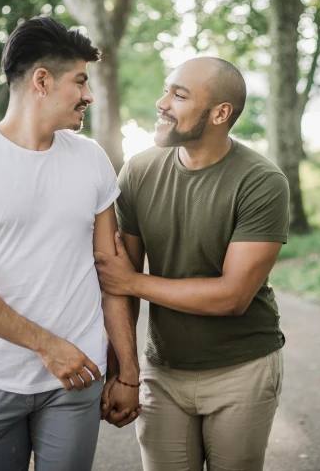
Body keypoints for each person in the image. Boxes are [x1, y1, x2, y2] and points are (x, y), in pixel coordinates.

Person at [0, 16, 139, 471]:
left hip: (78, 377)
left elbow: (110, 272)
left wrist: (127, 371)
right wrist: (47, 346)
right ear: (42, 80)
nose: (89, 96)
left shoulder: (91, 159)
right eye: (80, 81)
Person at [94, 57, 289, 471]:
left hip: (243, 370)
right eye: (167, 89)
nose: (162, 102)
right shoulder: (139, 171)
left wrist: (135, 282)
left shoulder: (262, 182)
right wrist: (125, 373)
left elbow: (232, 297)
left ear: (221, 113)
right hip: (162, 373)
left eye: (179, 95)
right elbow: (116, 284)